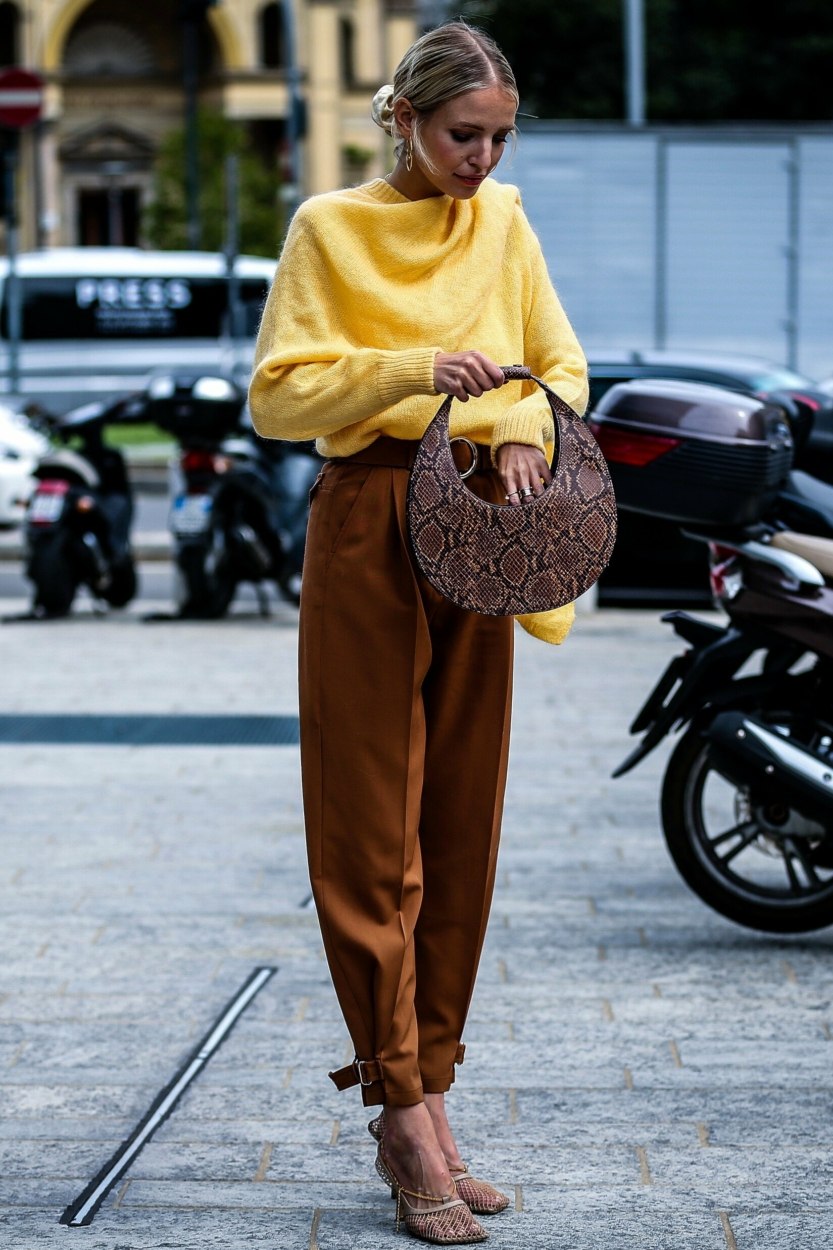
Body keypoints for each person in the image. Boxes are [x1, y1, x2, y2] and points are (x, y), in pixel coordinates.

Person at [249, 20, 588, 1245]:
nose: (482, 160)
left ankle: (432, 1083)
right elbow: (279, 391)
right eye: (462, 135)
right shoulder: (328, 229)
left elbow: (557, 365)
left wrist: (518, 432)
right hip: (367, 521)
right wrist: (409, 368)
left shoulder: (503, 222)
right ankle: (395, 1106)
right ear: (405, 118)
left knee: (459, 819)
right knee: (365, 826)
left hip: (480, 527)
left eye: (497, 137)